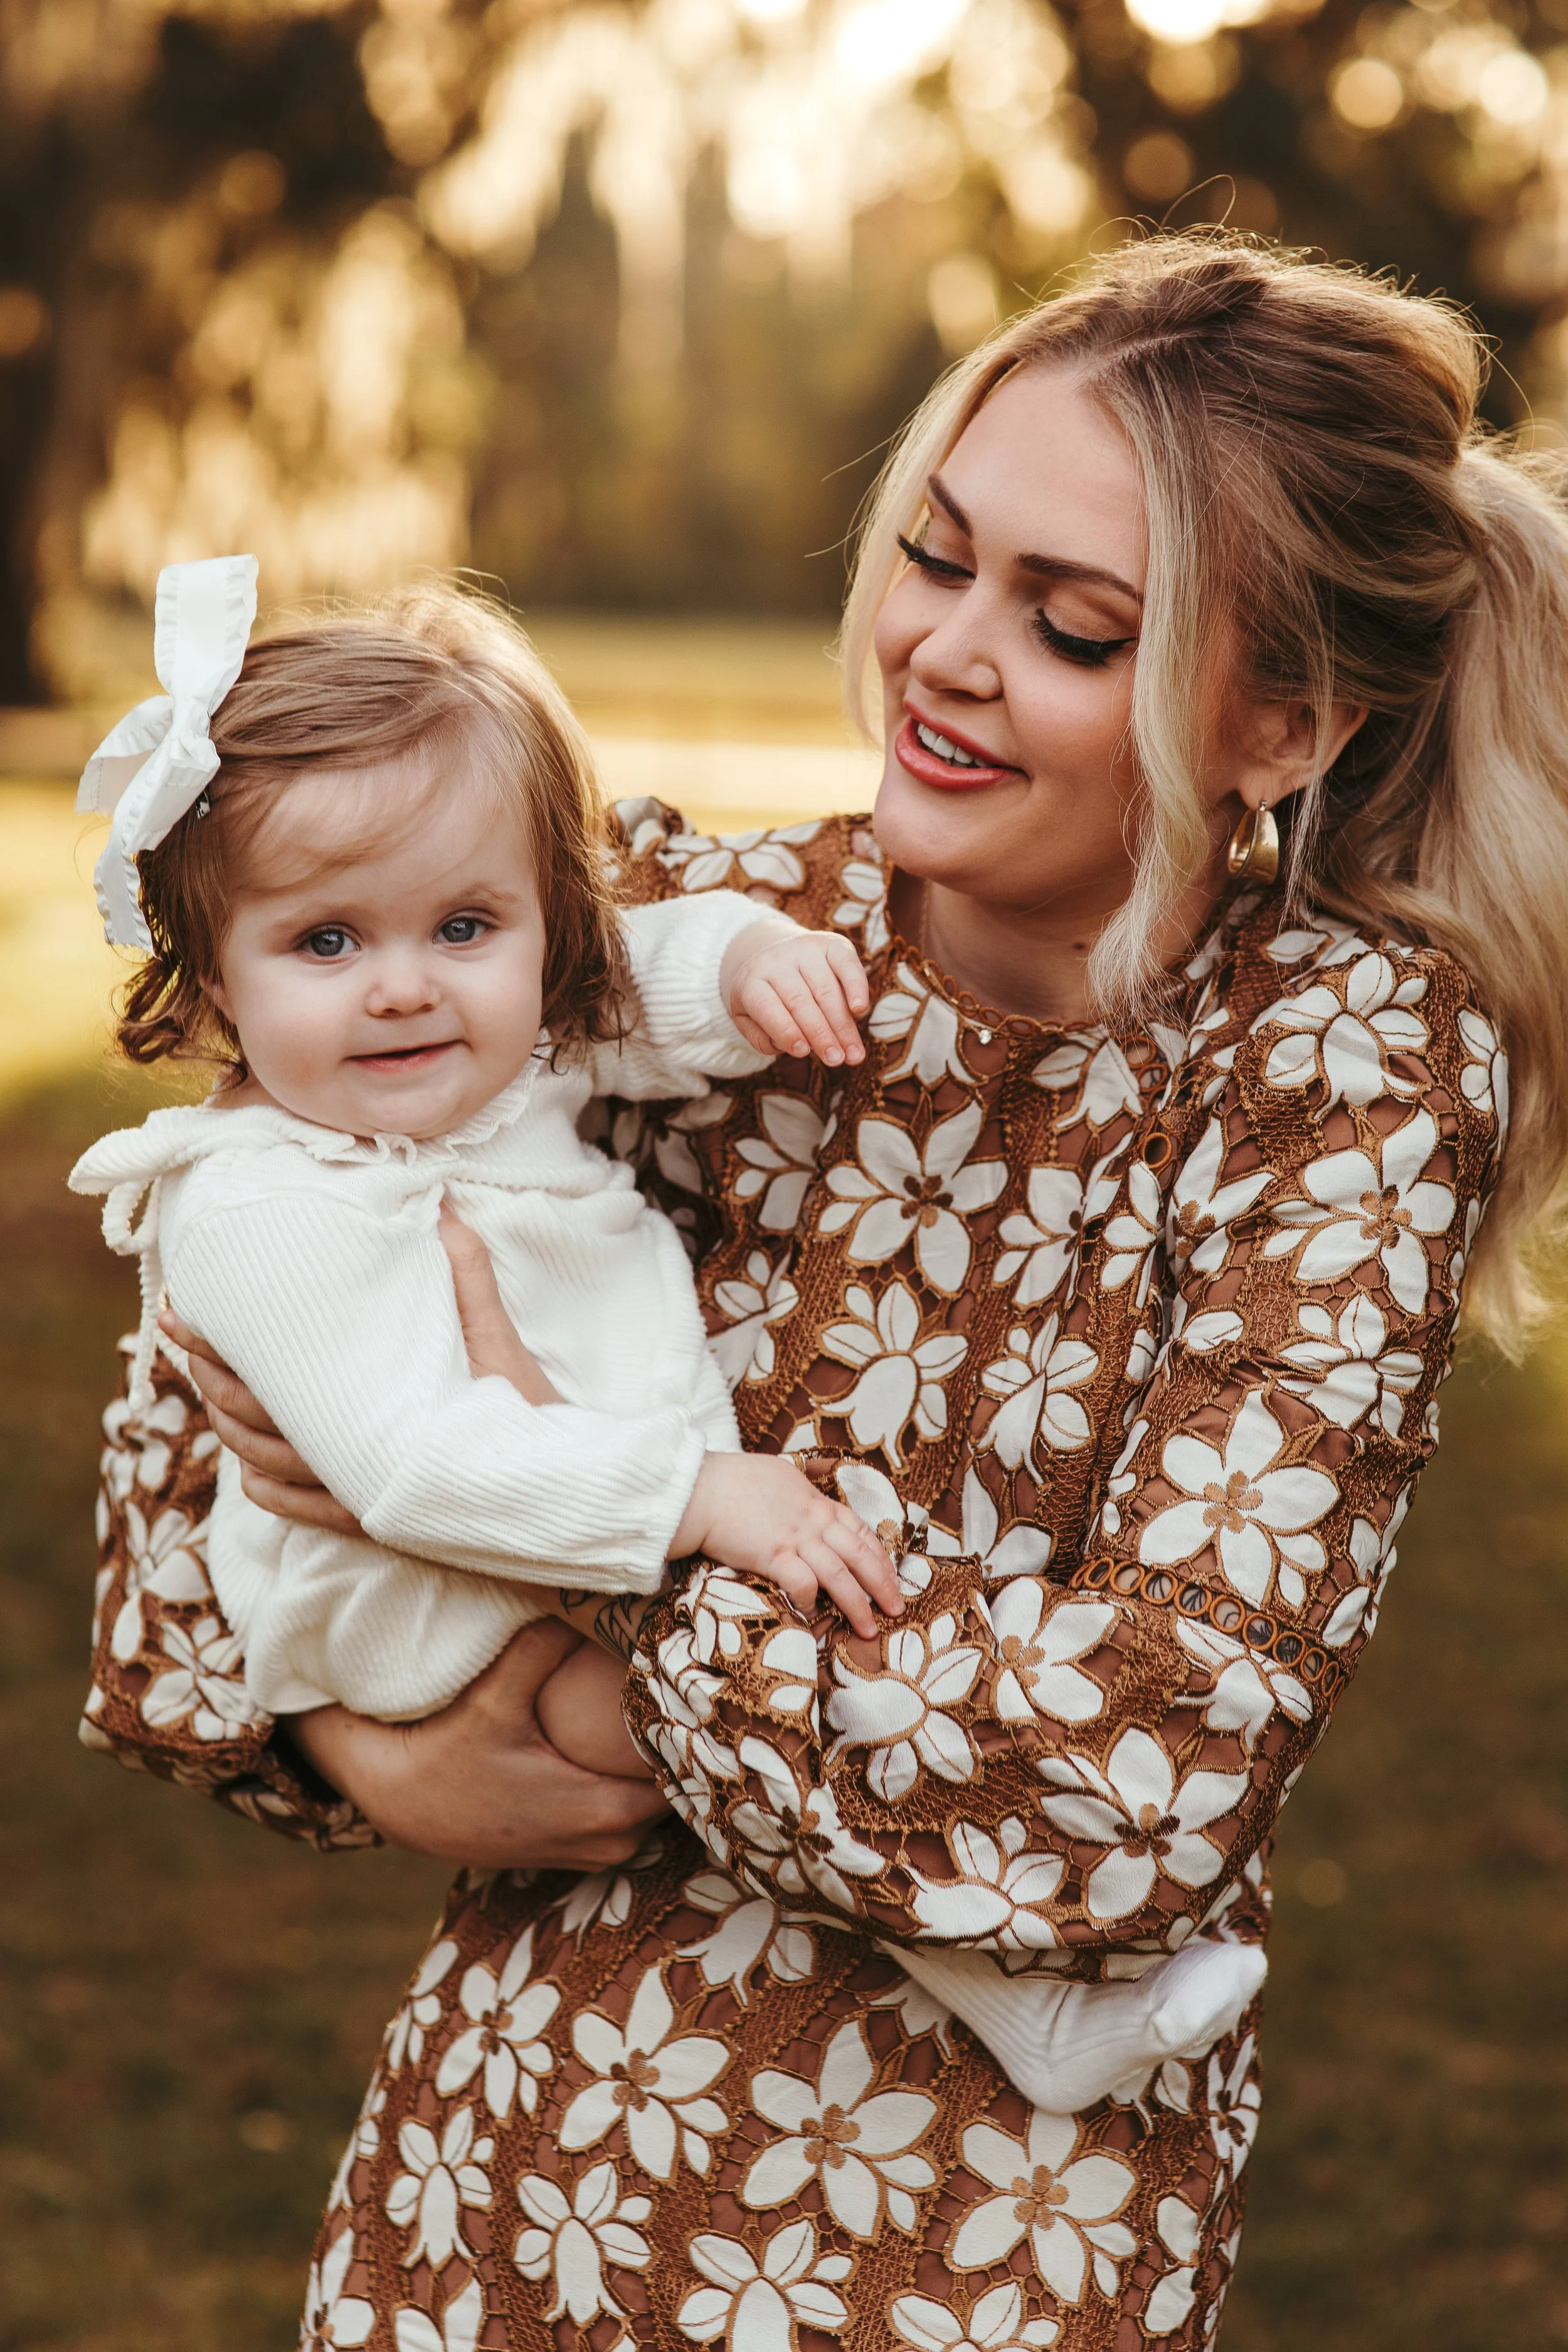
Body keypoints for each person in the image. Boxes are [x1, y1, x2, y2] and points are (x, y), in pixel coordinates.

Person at [81, 232, 1568, 2348]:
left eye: (1069, 626)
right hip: (513, 2170)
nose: (946, 652)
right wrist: (359, 1738)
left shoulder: (1334, 1072)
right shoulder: (690, 921)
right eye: (938, 558)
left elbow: (1118, 1796)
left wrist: (584, 1558)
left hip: (978, 2233)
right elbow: (174, 1532)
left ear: (1284, 719)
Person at [69, 565, 901, 1773]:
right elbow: (413, 1466)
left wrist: (747, 960)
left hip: (596, 1510)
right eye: (327, 939)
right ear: (214, 981)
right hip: (422, 1607)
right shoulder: (252, 1202)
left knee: (791, 1690)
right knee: (769, 1734)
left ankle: (1040, 1944)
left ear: (543, 921)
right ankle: (1017, 1948)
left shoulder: (490, 1055)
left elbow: (630, 982)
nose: (405, 984)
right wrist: (700, 1496)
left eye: (464, 926)